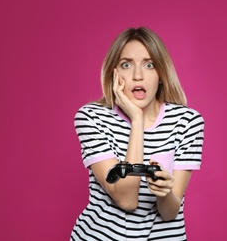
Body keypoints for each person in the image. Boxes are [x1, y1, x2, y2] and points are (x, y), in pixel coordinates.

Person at [70, 27, 204, 240]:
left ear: (161, 74)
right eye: (126, 65)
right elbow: (127, 199)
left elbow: (170, 213)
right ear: (114, 73)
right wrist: (137, 120)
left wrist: (164, 193)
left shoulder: (187, 122)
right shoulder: (91, 118)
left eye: (149, 65)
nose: (138, 76)